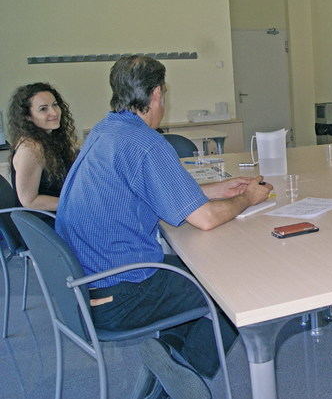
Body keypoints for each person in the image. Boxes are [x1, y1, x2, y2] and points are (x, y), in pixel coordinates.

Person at [56, 55, 273, 399]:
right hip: (122, 292)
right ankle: (185, 376)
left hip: (86, 284)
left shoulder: (105, 131)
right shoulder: (147, 142)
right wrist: (249, 198)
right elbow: (205, 220)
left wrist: (217, 189)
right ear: (156, 93)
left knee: (197, 271)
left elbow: (147, 189)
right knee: (233, 288)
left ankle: (167, 356)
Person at [8, 82, 77, 217]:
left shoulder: (49, 139)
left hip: (59, 214)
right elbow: (30, 201)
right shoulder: (30, 149)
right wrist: (77, 204)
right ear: (27, 116)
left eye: (55, 105)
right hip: (45, 223)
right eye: (43, 109)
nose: (54, 112)